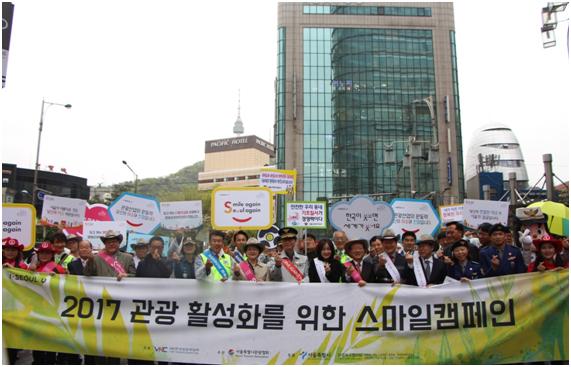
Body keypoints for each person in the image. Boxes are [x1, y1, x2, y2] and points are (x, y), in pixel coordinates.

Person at [30, 242, 65, 365]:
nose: (44, 255)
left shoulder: (58, 268)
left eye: (47, 253)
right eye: (42, 253)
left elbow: (68, 286)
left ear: (52, 255)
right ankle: (37, 361)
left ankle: (50, 361)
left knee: (51, 340)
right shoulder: (32, 269)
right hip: (36, 309)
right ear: (38, 255)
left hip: (52, 309)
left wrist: (58, 278)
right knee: (37, 339)